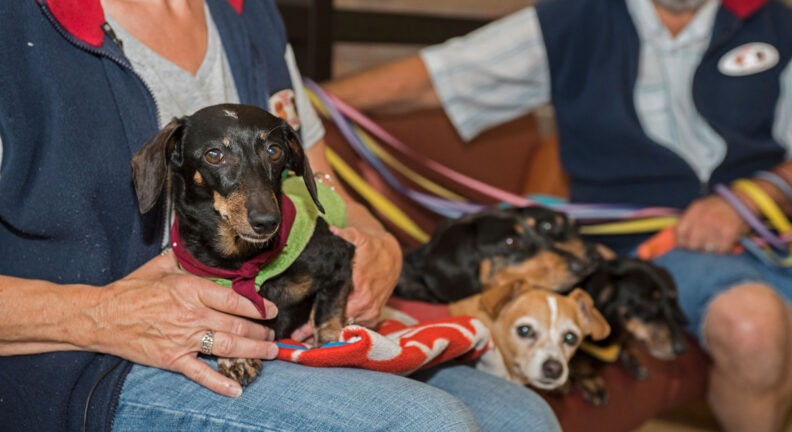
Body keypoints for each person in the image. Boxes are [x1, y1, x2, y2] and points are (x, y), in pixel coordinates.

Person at [0, 1, 562, 431]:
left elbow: (321, 185)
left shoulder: (250, 14)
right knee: (429, 424)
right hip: (89, 363)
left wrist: (377, 240)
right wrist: (101, 314)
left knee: (523, 418)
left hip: (272, 324)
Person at [324, 0, 792, 430]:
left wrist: (751, 198)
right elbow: (440, 76)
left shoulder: (775, 23)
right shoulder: (578, 18)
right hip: (641, 246)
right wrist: (302, 105)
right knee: (751, 325)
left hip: (772, 232)